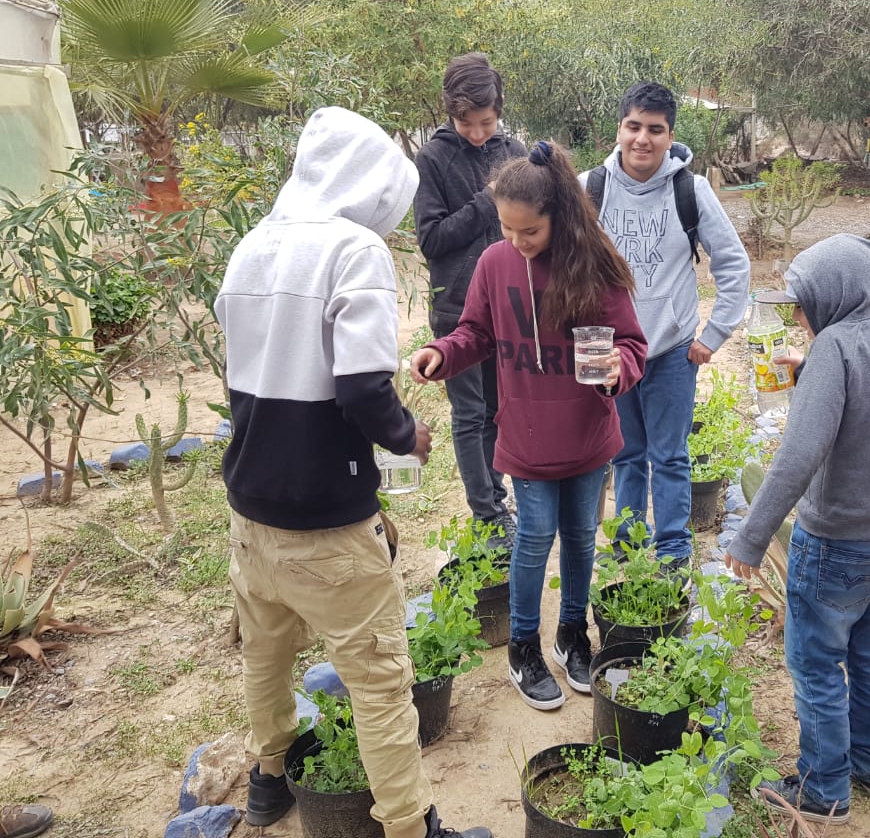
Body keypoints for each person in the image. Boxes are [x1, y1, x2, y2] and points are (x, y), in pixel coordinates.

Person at [215, 107, 490, 838]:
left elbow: (245, 375)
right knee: (378, 684)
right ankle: (410, 824)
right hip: (328, 527)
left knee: (266, 663)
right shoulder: (353, 251)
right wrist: (411, 435)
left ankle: (269, 782)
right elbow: (365, 387)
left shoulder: (251, 248)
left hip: (249, 513)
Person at [411, 141, 646, 711]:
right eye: (506, 229)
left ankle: (571, 635)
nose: (516, 242)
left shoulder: (593, 264)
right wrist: (444, 352)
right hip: (527, 435)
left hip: (588, 431)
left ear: (557, 217)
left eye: (529, 233)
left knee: (584, 536)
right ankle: (523, 645)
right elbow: (476, 334)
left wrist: (620, 368)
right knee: (535, 536)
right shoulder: (494, 265)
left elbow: (633, 345)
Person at [725, 234, 870, 823]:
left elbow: (796, 456)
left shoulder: (834, 348)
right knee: (866, 655)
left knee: (814, 663)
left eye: (803, 303)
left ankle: (824, 787)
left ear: (831, 296)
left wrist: (751, 536)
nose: (800, 315)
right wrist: (809, 369)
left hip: (836, 539)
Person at [585, 81, 750, 567]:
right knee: (622, 455)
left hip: (672, 351)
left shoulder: (690, 190)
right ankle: (630, 546)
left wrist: (713, 335)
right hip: (605, 350)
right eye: (633, 126)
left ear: (669, 134)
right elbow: (555, 266)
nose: (643, 139)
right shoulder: (588, 189)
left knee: (670, 455)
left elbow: (734, 264)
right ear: (618, 129)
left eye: (655, 130)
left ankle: (674, 549)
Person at [414, 52, 527, 547]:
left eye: (486, 121)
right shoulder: (433, 158)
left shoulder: (514, 150)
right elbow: (432, 238)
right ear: (449, 113)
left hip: (511, 305)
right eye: (466, 123)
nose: (478, 132)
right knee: (470, 412)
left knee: (503, 409)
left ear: (499, 109)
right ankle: (486, 513)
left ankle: (498, 494)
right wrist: (489, 200)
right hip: (457, 307)